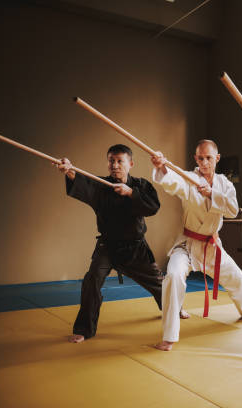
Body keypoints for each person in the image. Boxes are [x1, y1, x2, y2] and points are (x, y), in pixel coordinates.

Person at [151, 139, 242, 352]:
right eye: (200, 158)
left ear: (217, 158)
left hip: (211, 245)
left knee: (237, 278)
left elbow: (233, 210)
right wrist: (161, 167)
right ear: (195, 159)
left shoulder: (225, 184)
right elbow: (172, 182)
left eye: (208, 158)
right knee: (173, 275)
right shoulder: (189, 179)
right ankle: (169, 336)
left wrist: (211, 194)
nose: (204, 162)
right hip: (187, 244)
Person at [56, 144, 163, 343]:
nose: (115, 165)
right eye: (111, 161)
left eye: (119, 161)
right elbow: (83, 184)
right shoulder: (101, 185)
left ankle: (173, 310)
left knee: (159, 284)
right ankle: (84, 329)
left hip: (135, 248)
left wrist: (131, 193)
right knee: (92, 280)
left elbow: (153, 207)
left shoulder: (140, 185)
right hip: (108, 247)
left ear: (130, 164)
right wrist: (70, 171)